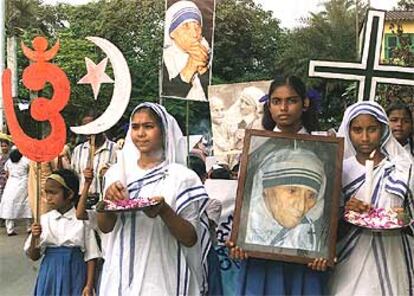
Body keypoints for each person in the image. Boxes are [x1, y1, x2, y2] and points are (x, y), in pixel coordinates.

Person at [227, 75, 327, 296]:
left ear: (305, 104)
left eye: (291, 100)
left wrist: (324, 248)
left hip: (305, 264)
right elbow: (246, 202)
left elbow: (329, 210)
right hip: (259, 261)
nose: (284, 108)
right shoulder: (255, 149)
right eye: (276, 101)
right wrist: (238, 237)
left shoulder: (325, 149)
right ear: (269, 106)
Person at [97, 102, 211, 295]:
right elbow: (105, 227)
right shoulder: (116, 174)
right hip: (119, 273)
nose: (141, 133)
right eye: (135, 127)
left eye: (148, 126)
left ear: (164, 131)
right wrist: (107, 203)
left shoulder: (181, 177)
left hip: (161, 274)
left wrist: (164, 211)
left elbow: (191, 238)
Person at [329, 101, 414, 295]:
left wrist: (404, 217)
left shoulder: (402, 168)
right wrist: (346, 211)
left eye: (372, 129)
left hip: (392, 255)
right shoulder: (341, 169)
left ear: (383, 130)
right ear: (348, 132)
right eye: (358, 130)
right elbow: (328, 221)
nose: (365, 137)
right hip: (350, 258)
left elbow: (409, 214)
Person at [24, 168, 100, 296]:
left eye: (53, 193)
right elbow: (34, 255)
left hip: (75, 272)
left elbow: (91, 255)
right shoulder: (44, 220)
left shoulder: (82, 221)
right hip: (50, 273)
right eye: (46, 193)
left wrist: (88, 285)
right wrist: (34, 238)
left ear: (69, 194)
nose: (48, 198)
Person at [246, 148, 326, 252]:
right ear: (265, 189)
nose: (301, 207)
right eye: (292, 191)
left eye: (311, 196)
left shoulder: (311, 240)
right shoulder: (244, 229)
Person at [163, 0, 210, 101]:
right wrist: (189, 68)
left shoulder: (209, 55)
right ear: (172, 33)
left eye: (197, 26)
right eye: (185, 26)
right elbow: (170, 103)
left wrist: (204, 72)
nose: (194, 34)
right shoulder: (163, 62)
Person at [71, 110, 118, 206]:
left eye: (91, 127)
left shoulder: (115, 149)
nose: (88, 131)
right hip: (82, 201)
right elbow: (74, 177)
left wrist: (108, 174)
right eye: (85, 127)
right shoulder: (78, 150)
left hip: (105, 202)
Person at [28, 144, 71, 216]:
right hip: (41, 189)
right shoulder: (37, 156)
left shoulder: (62, 149)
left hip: (49, 188)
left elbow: (61, 170)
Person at [0, 148, 32, 235]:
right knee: (26, 204)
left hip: (11, 184)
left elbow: (7, 173)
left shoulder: (9, 161)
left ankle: (9, 229)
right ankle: (29, 227)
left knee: (9, 205)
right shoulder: (26, 160)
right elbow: (30, 171)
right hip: (23, 183)